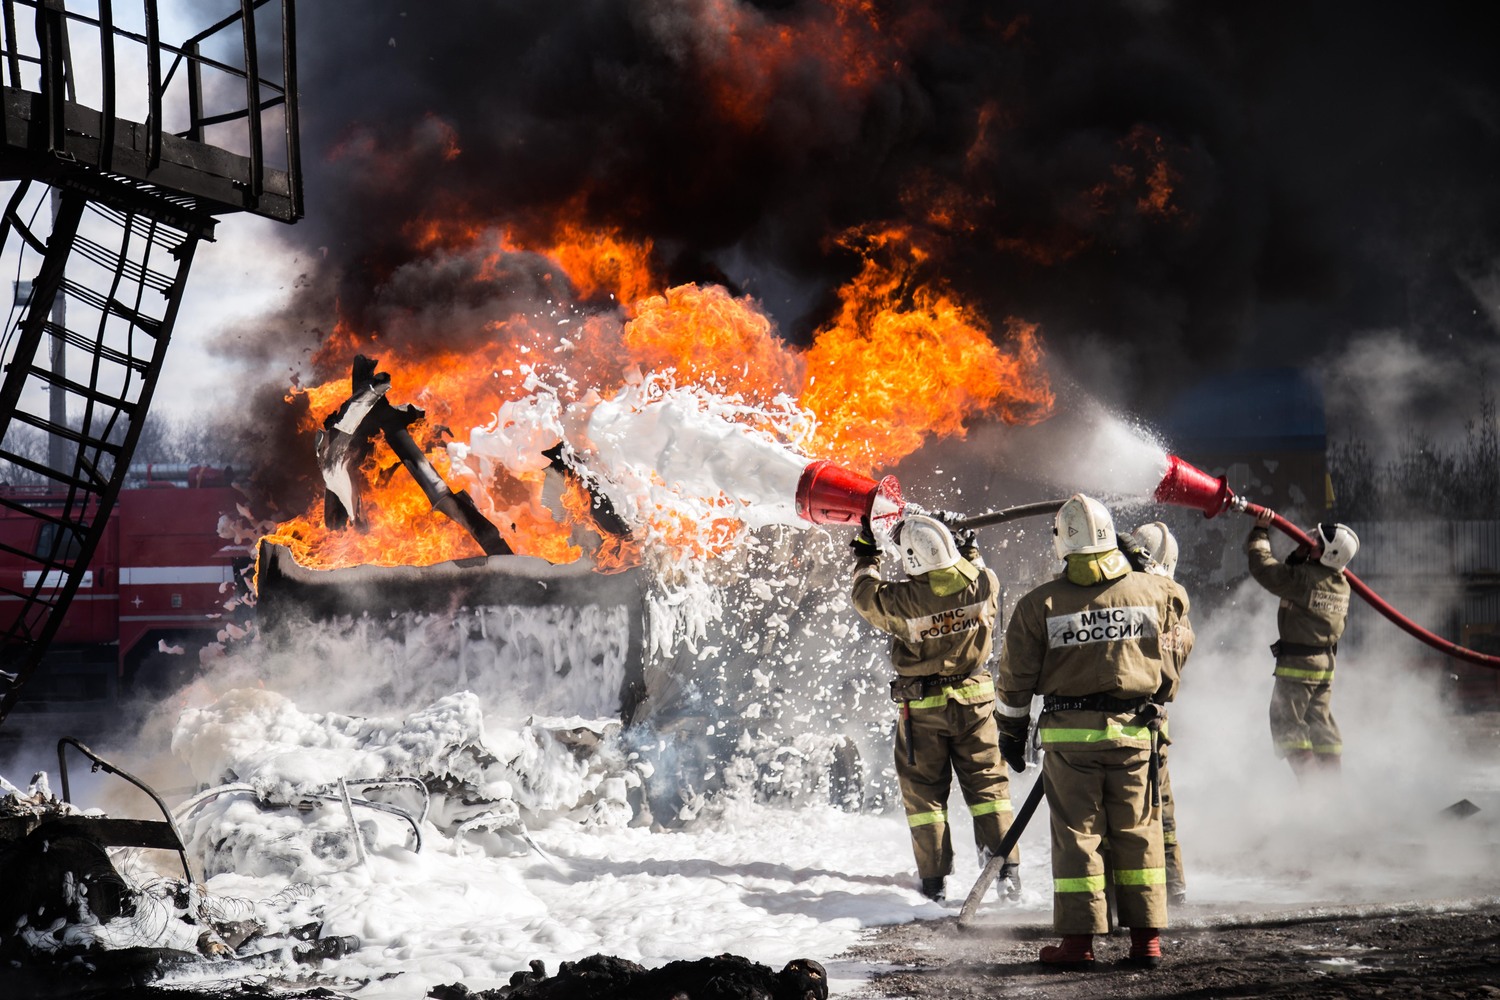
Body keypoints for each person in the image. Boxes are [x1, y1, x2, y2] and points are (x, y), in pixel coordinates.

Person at [994, 495, 1192, 968]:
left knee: (1078, 836)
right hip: (1135, 733)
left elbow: (1015, 680)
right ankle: (1146, 941)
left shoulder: (1037, 604)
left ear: (1063, 545)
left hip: (1069, 743)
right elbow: (1179, 623)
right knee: (1138, 832)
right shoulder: (1154, 592)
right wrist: (1143, 568)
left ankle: (1078, 945)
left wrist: (1011, 733)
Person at [850, 512, 1019, 905]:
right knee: (989, 789)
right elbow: (974, 567)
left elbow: (864, 597)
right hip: (976, 703)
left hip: (923, 709)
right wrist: (968, 545)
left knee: (925, 796)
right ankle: (1007, 872)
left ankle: (933, 883)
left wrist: (867, 557)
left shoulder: (902, 600)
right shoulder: (984, 583)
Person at [1245, 508, 1357, 785]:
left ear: (1329, 554)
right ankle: (1333, 794)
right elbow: (1298, 578)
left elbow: (1264, 568)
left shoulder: (1304, 580)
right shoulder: (1340, 583)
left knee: (1287, 725)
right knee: (1321, 728)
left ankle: (1314, 797)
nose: (1310, 542)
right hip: (1324, 667)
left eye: (1316, 543)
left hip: (1299, 667)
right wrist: (1298, 557)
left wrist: (1260, 530)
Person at [1129, 521, 1192, 906]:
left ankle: (1135, 900)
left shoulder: (1137, 602)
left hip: (1125, 723)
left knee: (1127, 819)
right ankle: (1174, 887)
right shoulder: (1180, 613)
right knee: (1161, 809)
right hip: (1157, 724)